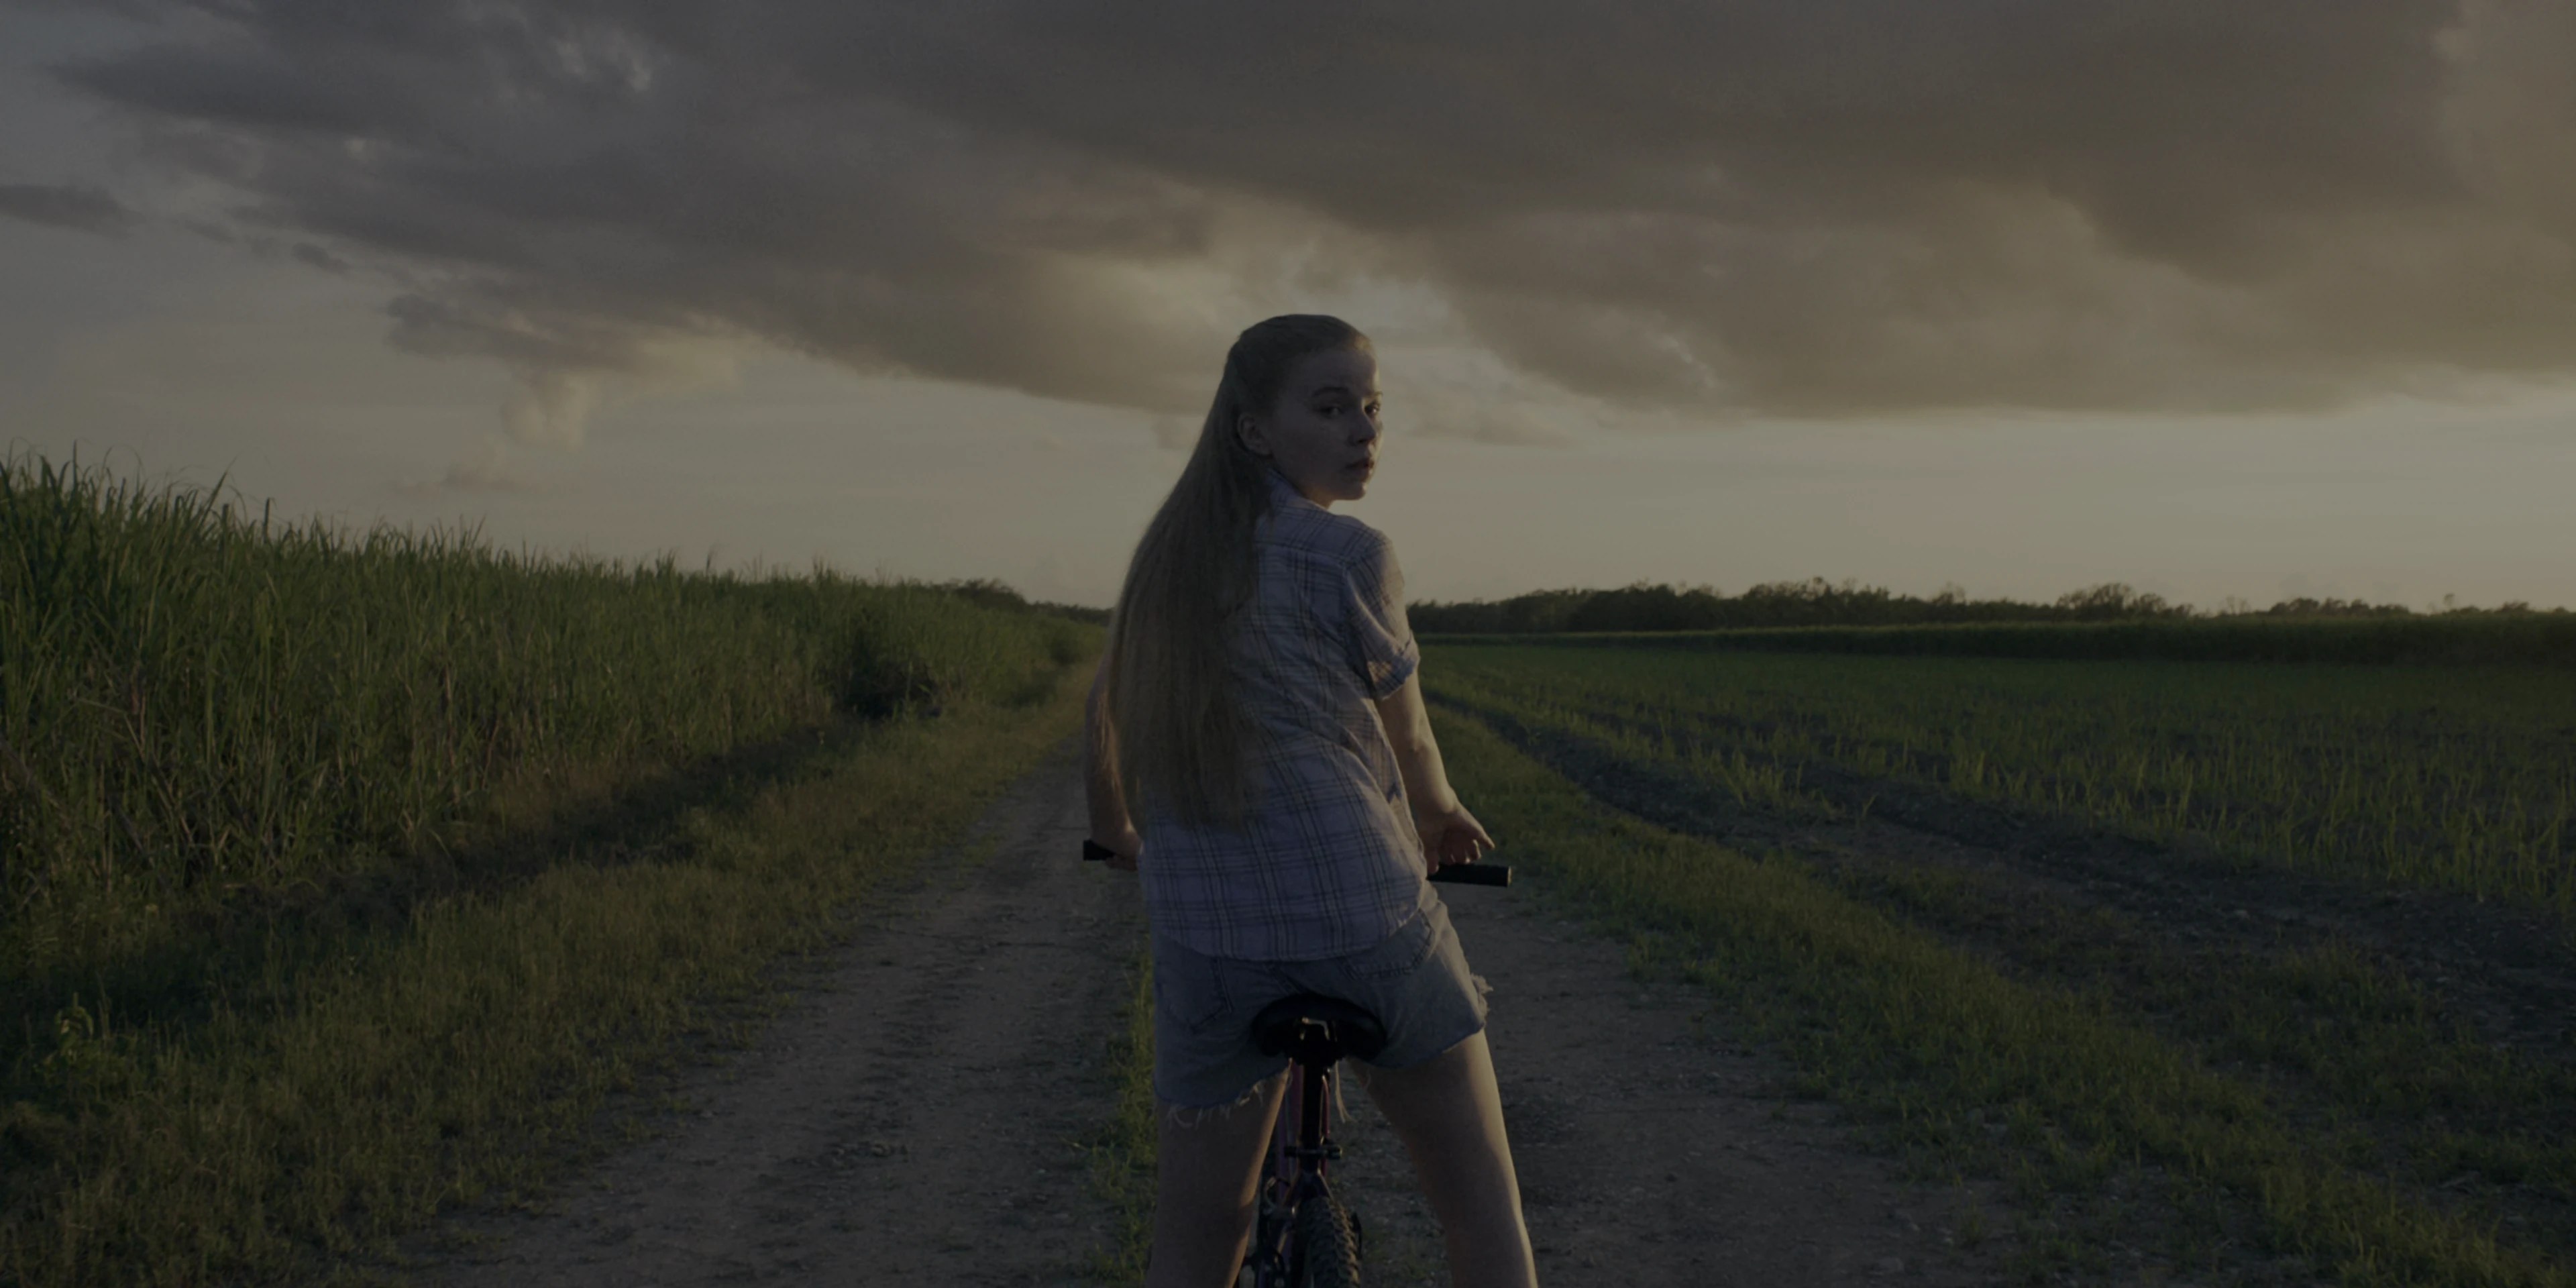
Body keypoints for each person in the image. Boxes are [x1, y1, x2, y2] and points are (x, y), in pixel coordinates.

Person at [1083, 313, 1541, 1287]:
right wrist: (1438, 816)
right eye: (1332, 409)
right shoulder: (1347, 554)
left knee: (1196, 1235)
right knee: (1479, 1209)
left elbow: (1104, 712)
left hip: (1209, 938)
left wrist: (1113, 830)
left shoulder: (1165, 561)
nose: (1364, 430)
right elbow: (1411, 736)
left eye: (1371, 409)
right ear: (1253, 430)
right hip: (1362, 920)